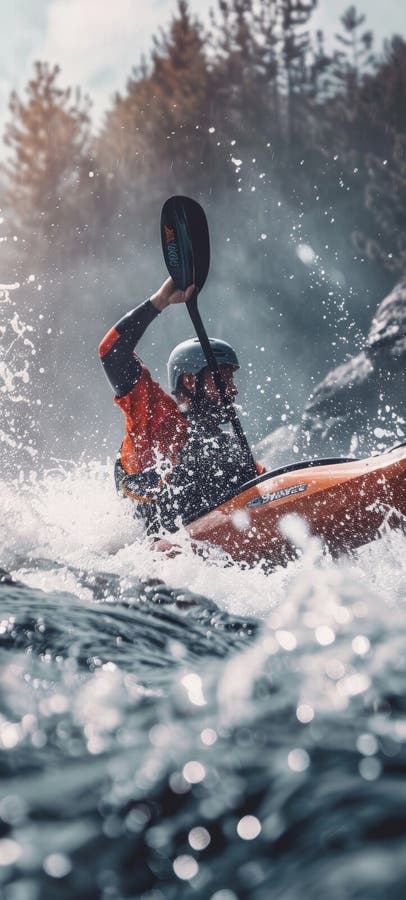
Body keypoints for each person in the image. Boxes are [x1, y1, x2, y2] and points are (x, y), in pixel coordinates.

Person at [99, 276, 264, 534]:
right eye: (221, 379)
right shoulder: (157, 420)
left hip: (216, 545)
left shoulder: (229, 446)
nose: (233, 389)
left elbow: (267, 493)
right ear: (189, 381)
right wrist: (159, 301)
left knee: (227, 456)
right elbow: (111, 353)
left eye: (231, 380)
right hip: (161, 548)